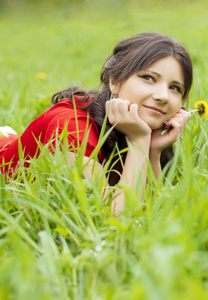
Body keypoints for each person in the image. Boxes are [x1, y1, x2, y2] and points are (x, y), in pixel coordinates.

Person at [0, 32, 193, 214]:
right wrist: (139, 140)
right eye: (148, 78)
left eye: (175, 88)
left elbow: (150, 210)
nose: (163, 96)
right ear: (115, 82)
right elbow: (113, 215)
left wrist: (153, 150)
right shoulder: (71, 127)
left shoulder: (134, 124)